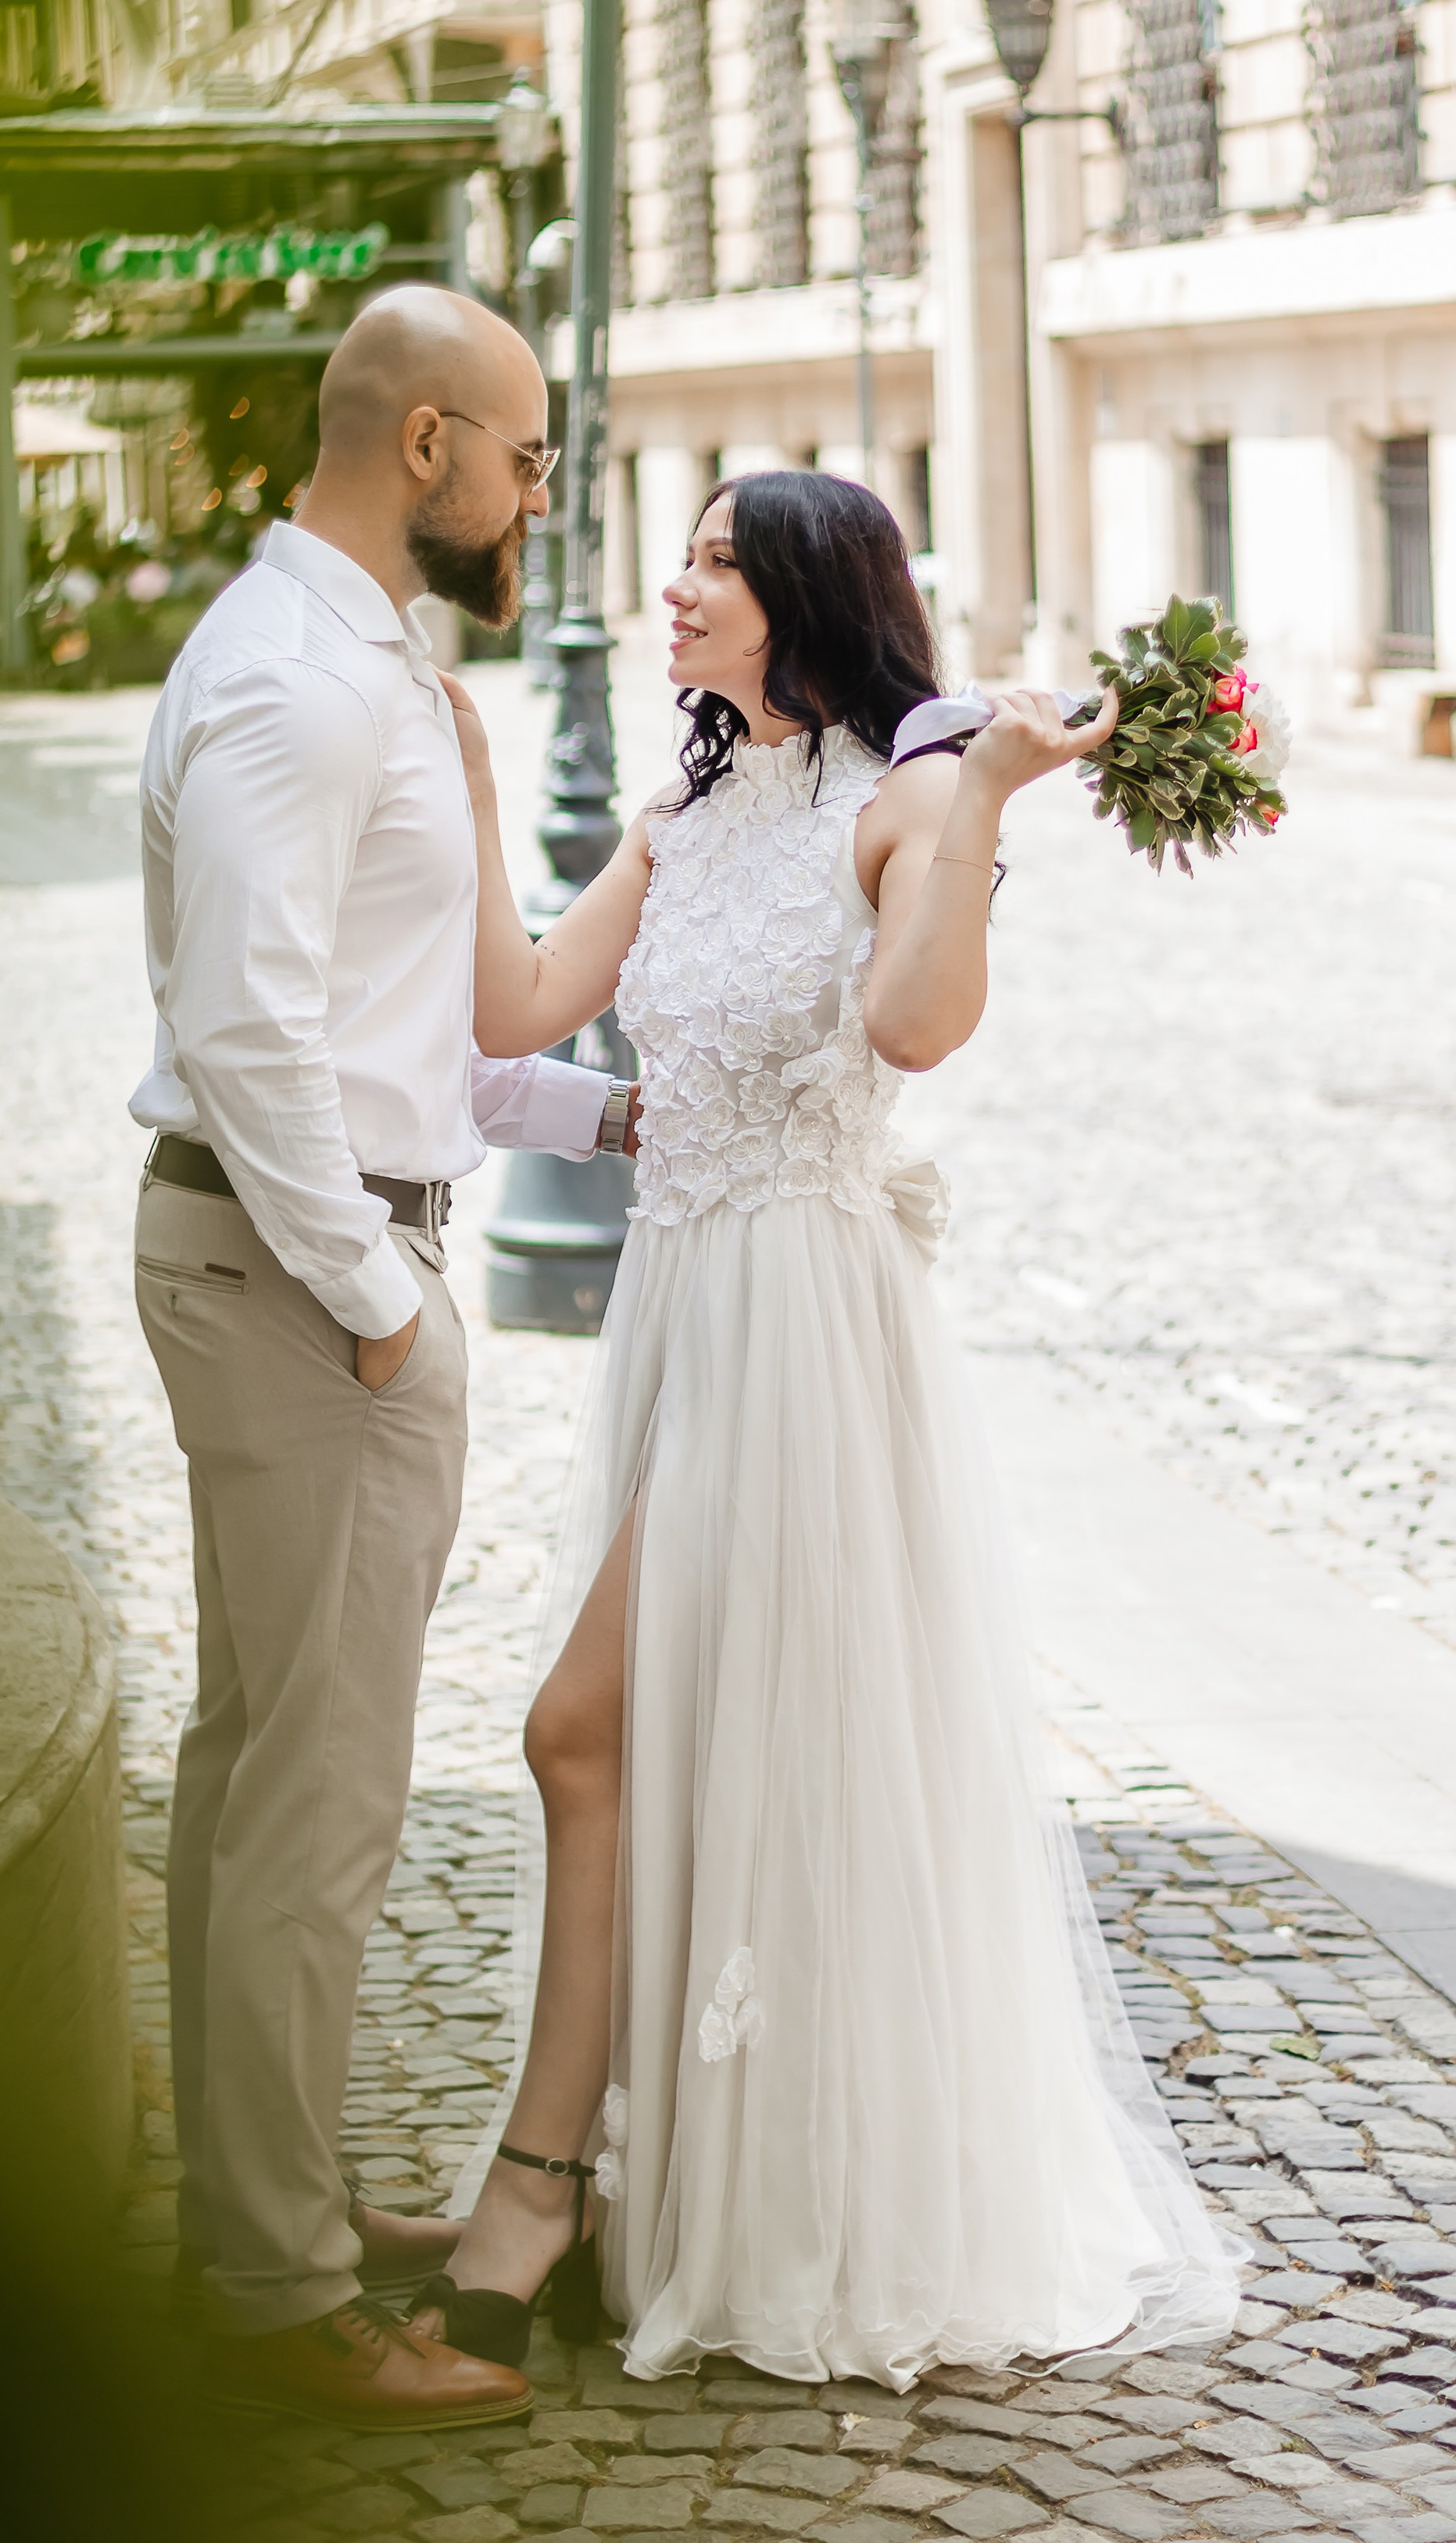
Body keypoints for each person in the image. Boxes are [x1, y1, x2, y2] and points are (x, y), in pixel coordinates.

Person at [410, 470, 1244, 2386]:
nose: (677, 589)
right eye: (683, 557)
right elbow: (524, 993)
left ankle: (551, 2179)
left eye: (714, 561)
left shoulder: (909, 794)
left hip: (802, 1317)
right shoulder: (688, 809)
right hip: (680, 1308)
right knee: (656, 1744)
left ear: (803, 593)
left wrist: (990, 808)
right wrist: (466, 791)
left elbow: (914, 1025)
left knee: (593, 1728)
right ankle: (601, 2171)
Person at [129, 288, 625, 2429]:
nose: (537, 494)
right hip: (300, 1284)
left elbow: (411, 1034)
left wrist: (623, 1117)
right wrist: (384, 1301)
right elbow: (249, 1038)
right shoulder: (294, 688)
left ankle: (270, 2205)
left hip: (296, 1264)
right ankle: (275, 2288)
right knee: (313, 1803)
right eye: (524, 454)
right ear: (424, 444)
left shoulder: (363, 667)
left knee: (255, 1778)